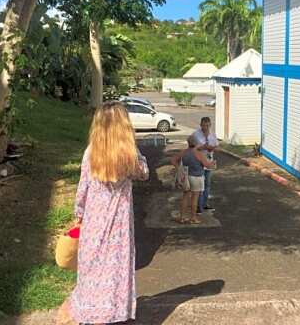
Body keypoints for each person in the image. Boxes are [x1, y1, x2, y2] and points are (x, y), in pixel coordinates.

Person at [58, 101, 149, 325]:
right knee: (114, 269)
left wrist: (79, 214)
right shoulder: (129, 154)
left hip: (93, 222)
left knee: (91, 268)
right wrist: (141, 156)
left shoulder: (91, 152)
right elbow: (144, 173)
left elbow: (83, 189)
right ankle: (109, 313)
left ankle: (87, 313)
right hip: (118, 226)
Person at [171, 135, 216, 224]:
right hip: (197, 177)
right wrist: (213, 163)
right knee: (195, 198)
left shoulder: (184, 152)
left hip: (186, 177)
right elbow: (207, 165)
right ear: (196, 143)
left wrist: (179, 168)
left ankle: (182, 217)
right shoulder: (199, 154)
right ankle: (193, 218)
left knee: (185, 196)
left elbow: (173, 160)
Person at [192, 117, 218, 213]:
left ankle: (204, 204)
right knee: (199, 185)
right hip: (198, 162)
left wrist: (212, 148)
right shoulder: (196, 134)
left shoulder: (212, 135)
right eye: (203, 125)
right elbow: (191, 146)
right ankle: (198, 207)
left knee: (207, 184)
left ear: (210, 125)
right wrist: (203, 147)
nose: (205, 127)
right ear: (200, 125)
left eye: (207, 125)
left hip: (209, 161)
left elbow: (216, 145)